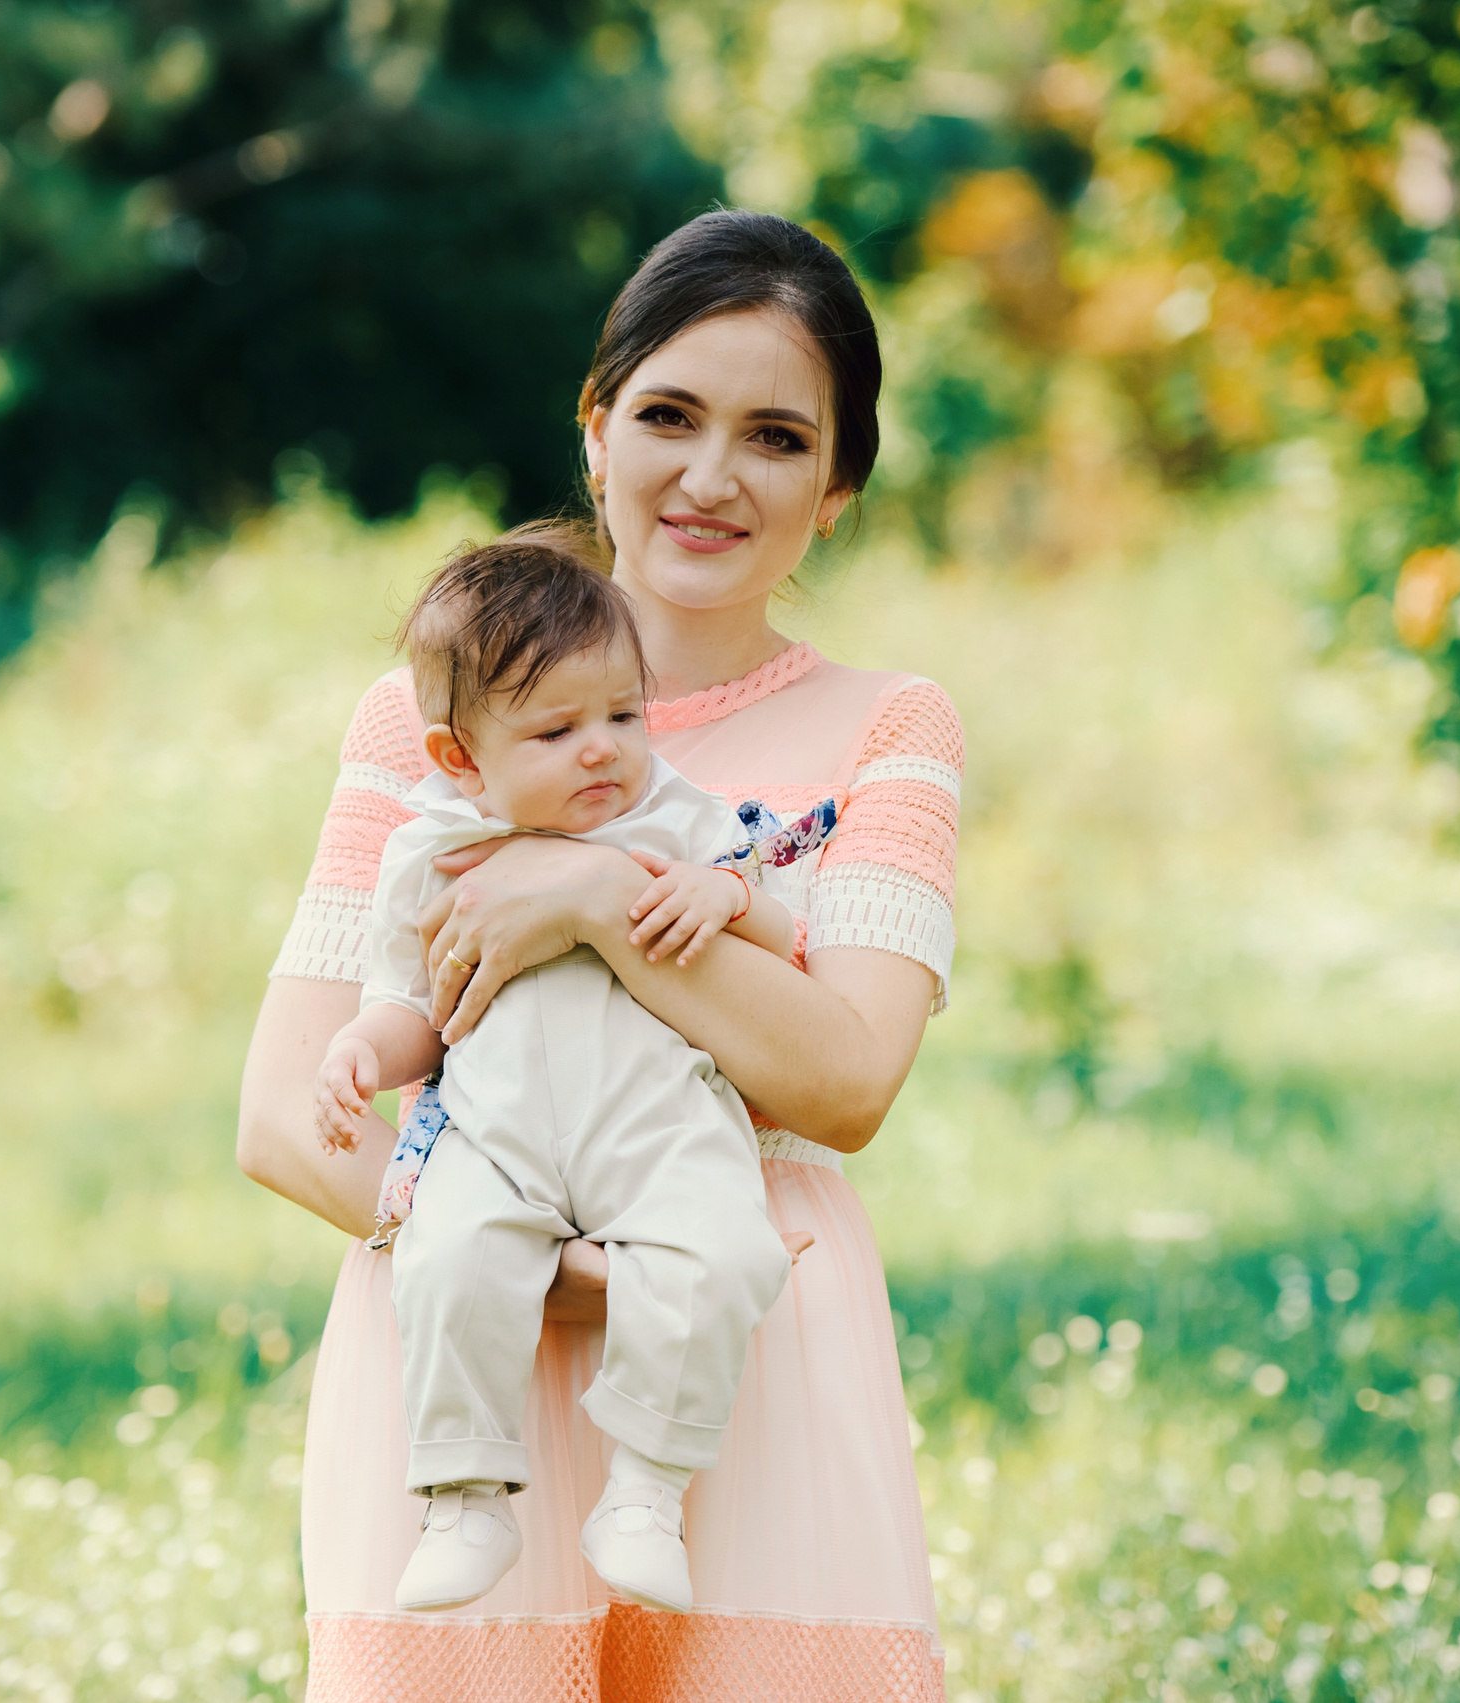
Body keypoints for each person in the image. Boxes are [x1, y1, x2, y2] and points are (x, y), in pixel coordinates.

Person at [238, 207, 963, 1701]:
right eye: (669, 415)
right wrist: (525, 1268)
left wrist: (581, 893)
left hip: (745, 1343)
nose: (710, 476)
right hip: (465, 1341)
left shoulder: (890, 727)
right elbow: (283, 1112)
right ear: (595, 428)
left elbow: (845, 1080)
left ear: (837, 488)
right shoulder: (424, 721)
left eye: (777, 437)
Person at [311, 527, 801, 1614]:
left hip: (660, 1125)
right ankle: (465, 1497)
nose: (602, 750)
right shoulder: (432, 854)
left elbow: (784, 935)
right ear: (460, 759)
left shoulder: (673, 816)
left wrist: (727, 895)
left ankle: (647, 1491)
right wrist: (359, 1050)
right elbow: (414, 1009)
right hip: (497, 1135)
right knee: (444, 1254)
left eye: (623, 715)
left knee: (724, 1251)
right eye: (556, 729)